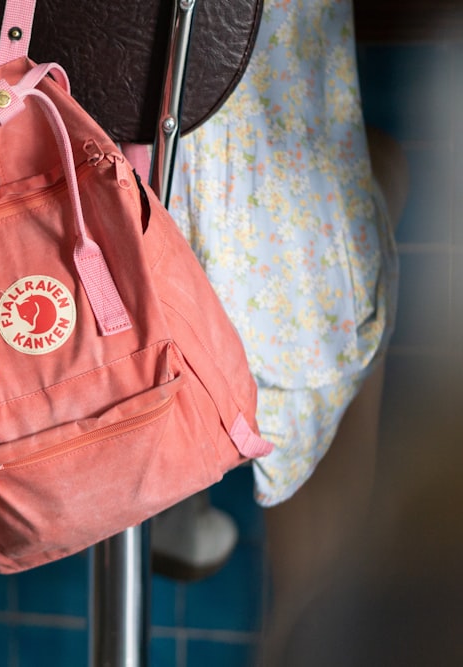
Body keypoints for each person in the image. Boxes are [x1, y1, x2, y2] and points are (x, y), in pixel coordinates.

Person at [148, 0, 409, 654]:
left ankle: (177, 459)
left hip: (78, 235)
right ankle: (311, 629)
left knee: (370, 176)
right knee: (369, 194)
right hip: (269, 261)